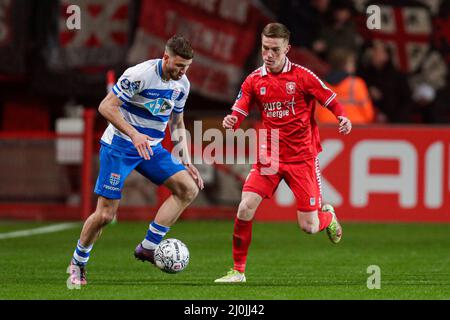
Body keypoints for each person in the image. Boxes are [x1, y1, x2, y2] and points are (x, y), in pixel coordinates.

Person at [215, 23, 352, 283]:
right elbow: (241, 105)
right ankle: (238, 271)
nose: (268, 54)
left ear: (287, 49)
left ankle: (328, 216)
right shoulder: (255, 79)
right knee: (245, 208)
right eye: (265, 48)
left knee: (309, 227)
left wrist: (342, 117)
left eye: (275, 49)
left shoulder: (303, 76)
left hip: (302, 158)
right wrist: (232, 119)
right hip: (270, 156)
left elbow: (330, 98)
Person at [68, 35, 204, 286]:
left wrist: (185, 158)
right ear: (165, 58)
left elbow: (177, 122)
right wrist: (134, 134)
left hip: (151, 147)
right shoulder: (139, 74)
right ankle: (78, 262)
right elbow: (106, 106)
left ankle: (148, 247)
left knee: (188, 189)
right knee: (106, 215)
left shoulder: (181, 84)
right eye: (178, 65)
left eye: (186, 67)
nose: (182, 71)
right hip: (119, 145)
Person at [315, 47, 375, 124]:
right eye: (352, 62)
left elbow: (314, 114)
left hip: (326, 129)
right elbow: (369, 115)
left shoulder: (319, 85)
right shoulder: (357, 84)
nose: (354, 66)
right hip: (355, 130)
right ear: (345, 65)